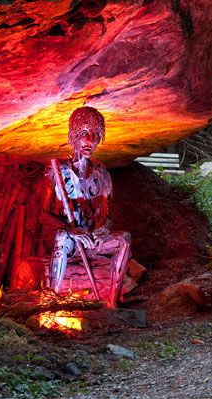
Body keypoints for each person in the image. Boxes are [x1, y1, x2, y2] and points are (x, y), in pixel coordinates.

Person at [42, 106, 130, 307]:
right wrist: (72, 231)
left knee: (124, 240)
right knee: (61, 237)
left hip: (92, 240)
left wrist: (102, 230)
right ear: (73, 136)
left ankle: (111, 303)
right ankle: (52, 302)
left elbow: (107, 217)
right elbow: (44, 214)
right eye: (84, 134)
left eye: (95, 135)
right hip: (69, 241)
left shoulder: (102, 174)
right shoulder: (55, 172)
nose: (90, 140)